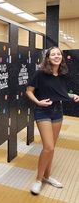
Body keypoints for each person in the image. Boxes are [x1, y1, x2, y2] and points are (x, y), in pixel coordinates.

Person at [26, 46, 79, 195]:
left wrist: (71, 95)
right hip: (42, 111)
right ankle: (38, 180)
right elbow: (29, 91)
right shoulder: (40, 74)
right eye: (53, 54)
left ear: (61, 57)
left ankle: (47, 176)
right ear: (48, 58)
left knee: (52, 148)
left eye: (59, 54)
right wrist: (38, 102)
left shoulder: (62, 75)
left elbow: (59, 93)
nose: (56, 56)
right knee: (48, 147)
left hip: (57, 112)